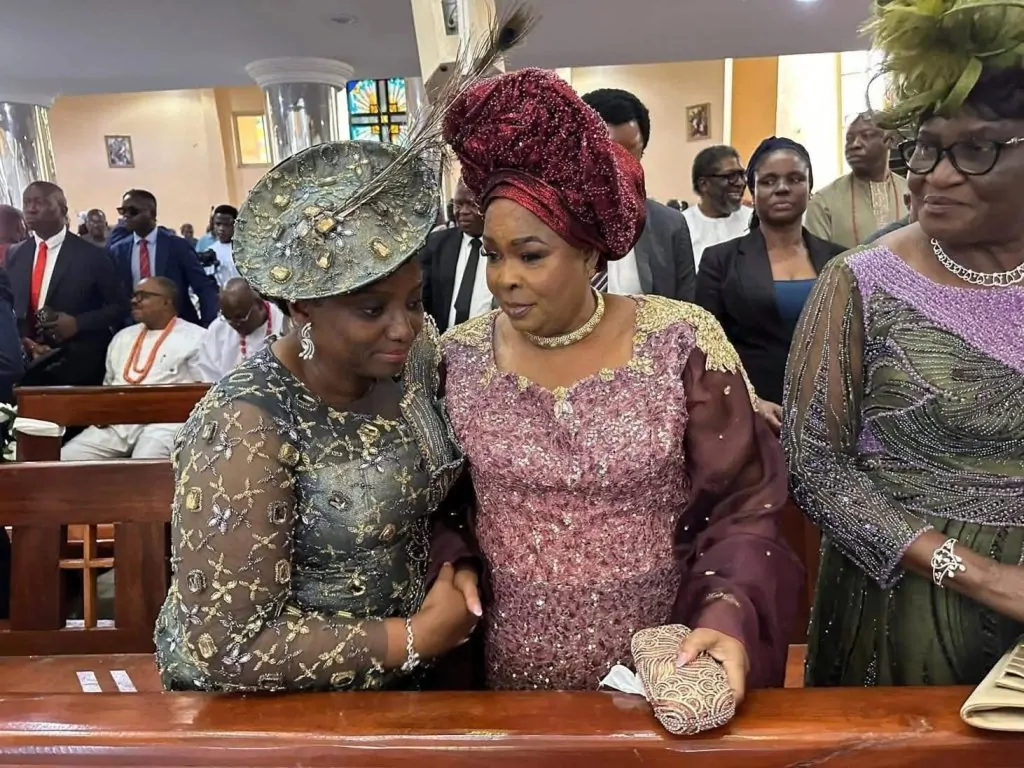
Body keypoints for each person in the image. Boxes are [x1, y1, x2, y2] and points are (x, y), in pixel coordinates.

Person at [440, 68, 802, 698]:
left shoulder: (681, 343)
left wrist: (725, 611)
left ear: (590, 253)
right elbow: (436, 501)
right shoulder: (457, 358)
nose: (504, 279)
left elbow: (743, 505)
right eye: (492, 254)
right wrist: (454, 559)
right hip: (505, 679)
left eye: (530, 255)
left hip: (663, 669)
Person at [154, 139, 476, 692]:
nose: (404, 328)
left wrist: (456, 565)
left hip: (411, 680)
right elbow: (226, 648)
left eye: (414, 300)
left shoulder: (414, 361)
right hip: (278, 706)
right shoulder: (245, 425)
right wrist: (414, 638)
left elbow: (440, 493)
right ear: (301, 307)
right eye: (372, 309)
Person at [785, 0, 1024, 687]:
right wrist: (980, 575)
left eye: (976, 149)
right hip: (906, 612)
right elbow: (813, 467)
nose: (935, 175)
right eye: (925, 147)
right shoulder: (860, 282)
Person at [696, 137, 844, 430]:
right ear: (753, 191)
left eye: (795, 179)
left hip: (828, 416)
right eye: (768, 181)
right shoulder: (721, 261)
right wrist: (751, 400)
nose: (782, 188)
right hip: (750, 417)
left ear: (810, 188)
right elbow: (705, 347)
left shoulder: (839, 260)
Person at [61, 277, 205, 461]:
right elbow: (108, 385)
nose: (135, 301)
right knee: (66, 457)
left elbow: (203, 391)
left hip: (166, 423)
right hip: (118, 422)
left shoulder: (197, 338)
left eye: (143, 296)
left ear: (166, 302)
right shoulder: (123, 337)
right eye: (134, 295)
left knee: (144, 459)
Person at [5, 182, 128, 387]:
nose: (31, 209)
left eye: (39, 202)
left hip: (77, 365)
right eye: (26, 202)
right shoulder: (15, 254)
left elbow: (120, 306)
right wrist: (22, 341)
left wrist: (78, 323)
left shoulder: (92, 255)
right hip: (28, 364)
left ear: (62, 209)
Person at [580, 88, 697, 300]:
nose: (618, 164)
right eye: (606, 151)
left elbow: (688, 311)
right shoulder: (547, 220)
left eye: (630, 151)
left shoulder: (669, 226)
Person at [108, 189, 219, 327]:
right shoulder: (118, 251)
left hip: (177, 325)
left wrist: (208, 325)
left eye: (132, 211)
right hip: (136, 327)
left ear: (151, 213)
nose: (126, 216)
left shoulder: (177, 245)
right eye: (122, 211)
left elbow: (203, 287)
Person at [805, 113, 910, 250]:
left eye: (866, 136)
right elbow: (817, 258)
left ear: (889, 141)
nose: (854, 145)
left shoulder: (913, 193)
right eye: (849, 139)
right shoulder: (823, 202)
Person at [419, 179, 490, 333]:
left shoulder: (503, 249)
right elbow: (423, 299)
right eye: (458, 205)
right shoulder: (436, 245)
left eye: (471, 204)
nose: (463, 211)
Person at [196, 277, 287, 381]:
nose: (234, 325)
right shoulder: (218, 329)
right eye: (227, 318)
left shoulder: (284, 323)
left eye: (240, 317)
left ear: (259, 305)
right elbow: (209, 375)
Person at [683, 146, 752, 271]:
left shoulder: (753, 220)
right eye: (731, 176)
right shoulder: (683, 225)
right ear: (704, 184)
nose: (741, 183)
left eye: (742, 175)